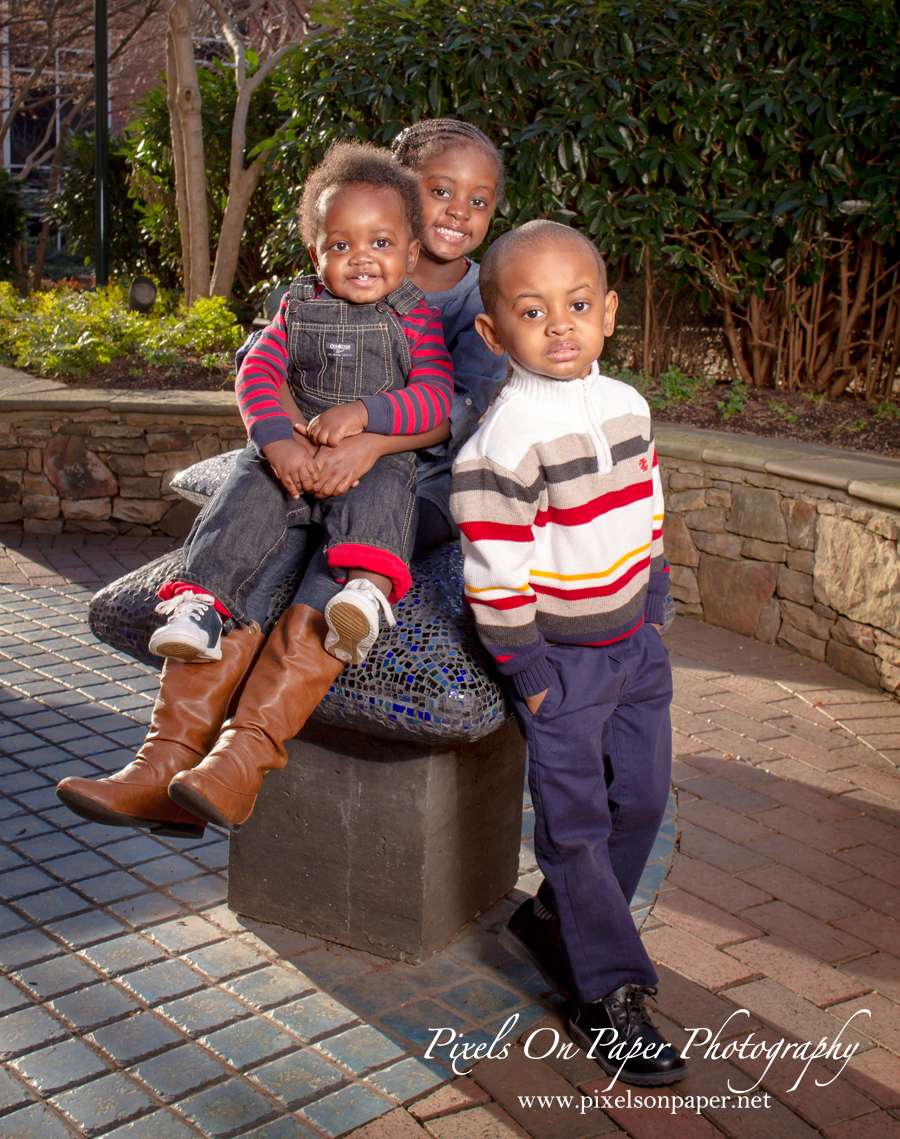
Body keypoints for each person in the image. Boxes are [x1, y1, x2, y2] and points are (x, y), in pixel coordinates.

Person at [56, 120, 506, 836]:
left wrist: (365, 444)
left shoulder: (462, 305)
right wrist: (286, 444)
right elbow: (267, 369)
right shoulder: (325, 279)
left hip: (413, 486)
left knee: (328, 555)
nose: (456, 210)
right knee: (266, 535)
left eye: (475, 200)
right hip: (312, 458)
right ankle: (164, 765)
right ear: (394, 190)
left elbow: (460, 411)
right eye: (437, 191)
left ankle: (241, 760)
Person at [449, 220, 687, 1087]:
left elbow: (648, 502)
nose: (559, 325)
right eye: (533, 310)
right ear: (493, 332)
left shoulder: (628, 405)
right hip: (564, 666)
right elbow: (495, 575)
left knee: (644, 800)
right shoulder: (500, 446)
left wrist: (655, 593)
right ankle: (605, 992)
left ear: (610, 313)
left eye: (578, 305)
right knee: (577, 826)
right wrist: (531, 674)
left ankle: (560, 922)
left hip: (636, 650)